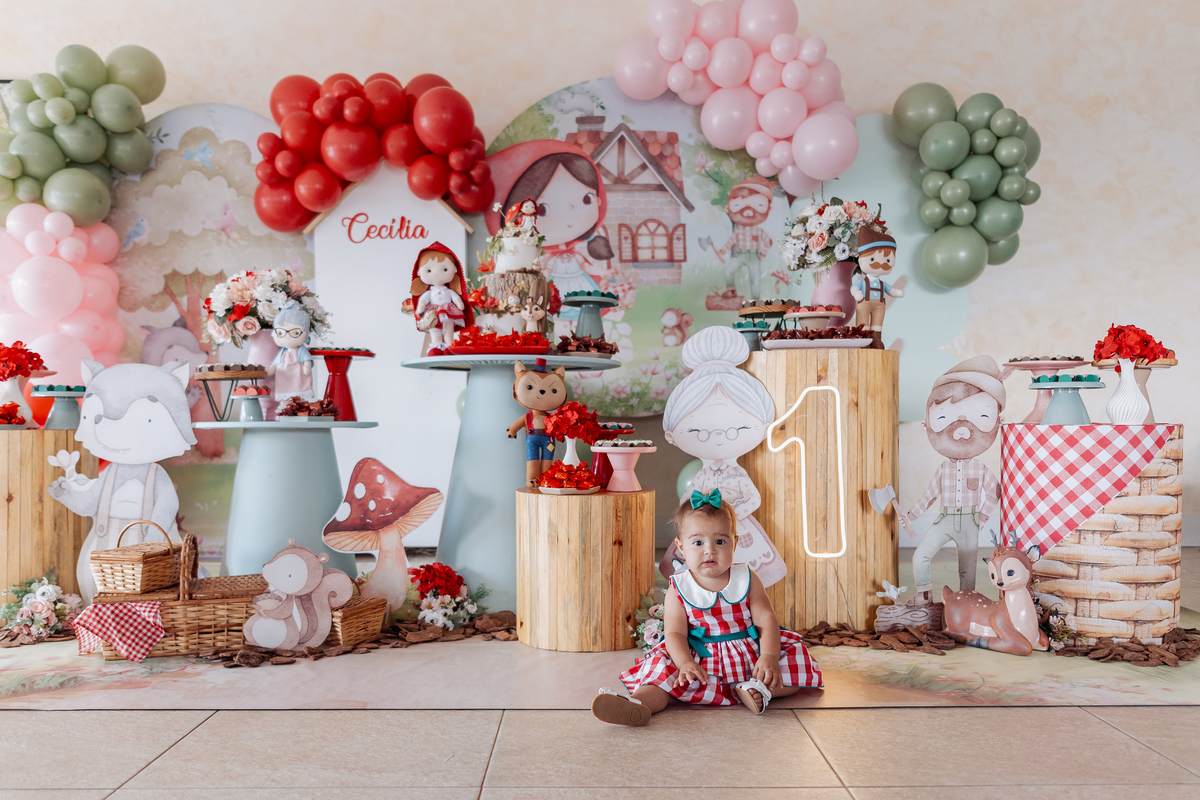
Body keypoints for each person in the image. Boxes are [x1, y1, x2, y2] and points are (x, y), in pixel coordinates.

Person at [591, 491, 822, 726]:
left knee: (794, 668)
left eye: (720, 541)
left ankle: (758, 689)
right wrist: (684, 664)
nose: (709, 550)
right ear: (681, 547)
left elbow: (766, 618)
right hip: (700, 662)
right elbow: (674, 633)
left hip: (748, 658)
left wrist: (769, 656)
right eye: (698, 542)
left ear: (735, 542)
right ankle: (638, 704)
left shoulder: (747, 577)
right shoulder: (679, 587)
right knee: (661, 676)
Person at [659, 325, 786, 586]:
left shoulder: (736, 474)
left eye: (736, 430)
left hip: (735, 528)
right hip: (702, 528)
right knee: (699, 565)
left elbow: (753, 498)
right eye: (700, 432)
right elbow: (688, 498)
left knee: (741, 571)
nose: (718, 436)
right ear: (672, 433)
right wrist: (691, 513)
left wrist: (732, 513)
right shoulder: (702, 476)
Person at [904, 355, 1005, 608]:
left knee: (967, 571)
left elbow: (995, 491)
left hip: (970, 522)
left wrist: (982, 517)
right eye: (943, 418)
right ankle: (924, 594)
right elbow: (929, 496)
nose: (961, 427)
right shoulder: (942, 470)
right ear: (926, 425)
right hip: (945, 518)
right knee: (921, 556)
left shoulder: (980, 468)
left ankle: (966, 604)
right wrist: (910, 516)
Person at [410, 242, 474, 356]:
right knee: (435, 330)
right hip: (433, 313)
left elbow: (456, 298)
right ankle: (436, 347)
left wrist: (459, 302)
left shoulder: (449, 291)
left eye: (445, 269)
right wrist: (420, 307)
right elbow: (423, 301)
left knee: (448, 330)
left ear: (454, 270)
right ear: (420, 272)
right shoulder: (429, 293)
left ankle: (450, 347)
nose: (436, 274)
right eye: (429, 271)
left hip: (448, 312)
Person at [719, 176, 774, 300]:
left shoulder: (759, 231)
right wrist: (723, 251)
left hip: (754, 256)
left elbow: (768, 242)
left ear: (769, 208)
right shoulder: (738, 230)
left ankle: (755, 300)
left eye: (758, 205)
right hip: (740, 254)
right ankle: (731, 291)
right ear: (728, 208)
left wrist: (763, 254)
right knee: (729, 272)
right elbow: (732, 241)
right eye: (738, 205)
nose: (748, 210)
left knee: (755, 278)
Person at [850, 227, 903, 349]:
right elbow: (854, 288)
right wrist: (857, 293)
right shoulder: (863, 282)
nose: (881, 264)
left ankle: (876, 341)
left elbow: (890, 290)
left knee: (877, 324)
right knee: (863, 323)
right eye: (872, 259)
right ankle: (863, 343)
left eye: (888, 260)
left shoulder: (882, 284)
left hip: (879, 305)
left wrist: (896, 292)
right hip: (864, 303)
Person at [266, 300, 315, 402]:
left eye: (295, 332)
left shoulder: (301, 350)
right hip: (284, 377)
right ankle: (285, 408)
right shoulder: (282, 352)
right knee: (285, 399)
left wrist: (307, 366)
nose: (287, 335)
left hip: (298, 376)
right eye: (280, 332)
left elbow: (307, 361)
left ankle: (300, 408)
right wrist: (272, 368)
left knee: (299, 398)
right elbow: (276, 363)